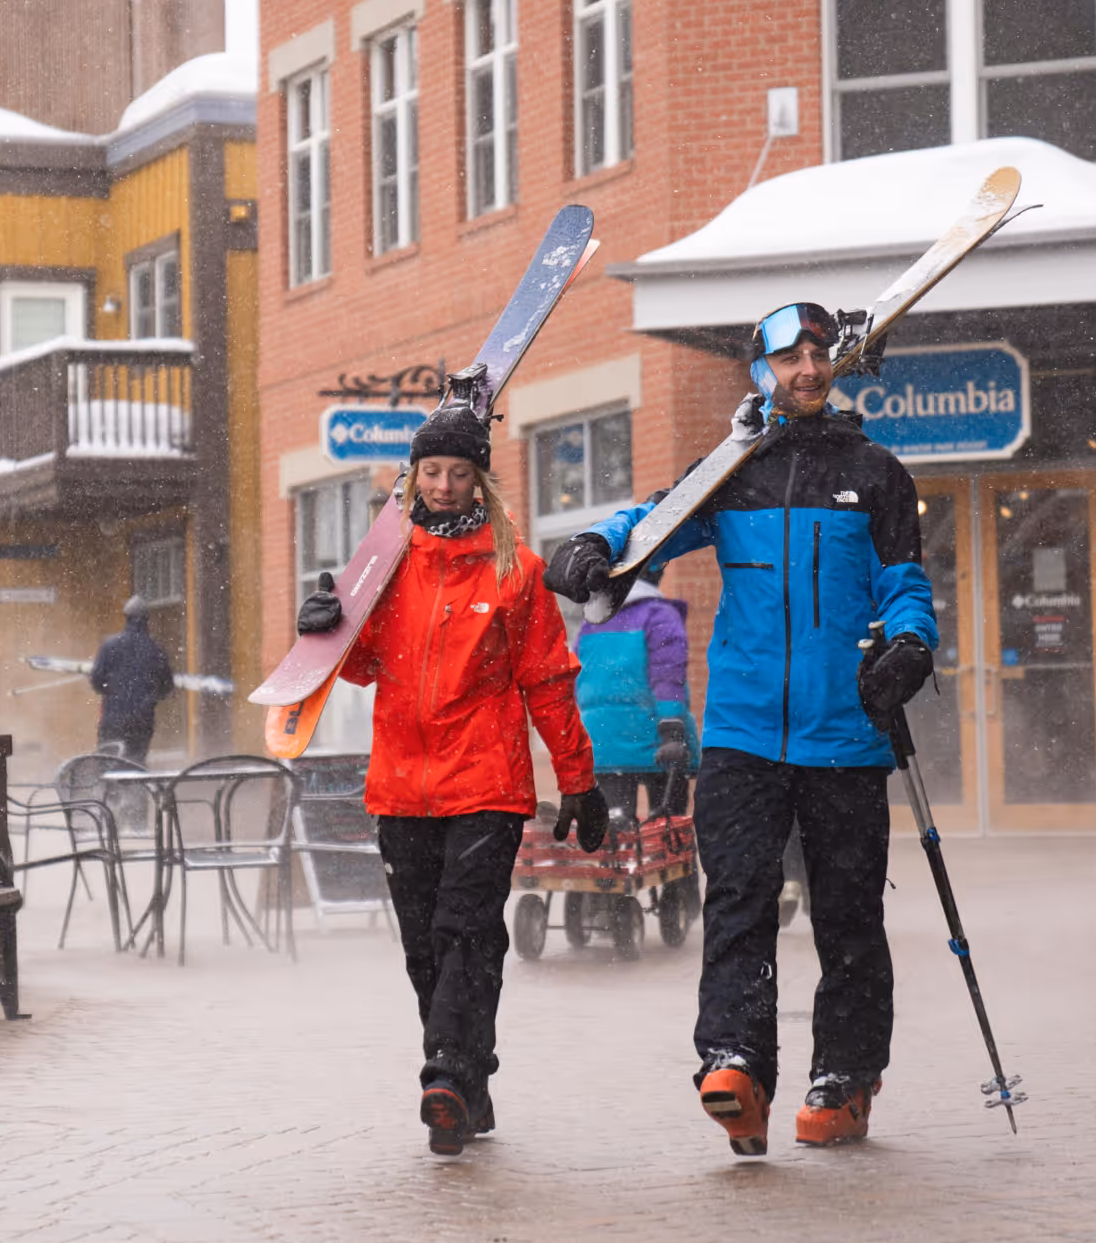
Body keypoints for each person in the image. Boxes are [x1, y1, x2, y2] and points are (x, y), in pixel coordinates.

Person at [546, 302, 937, 1155]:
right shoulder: (732, 470)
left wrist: (910, 644)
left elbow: (905, 584)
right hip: (743, 735)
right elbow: (648, 522)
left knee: (848, 916)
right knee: (738, 904)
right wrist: (590, 545)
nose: (806, 368)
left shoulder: (876, 473)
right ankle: (736, 1065)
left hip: (846, 733)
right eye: (787, 356)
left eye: (816, 354)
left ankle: (845, 1076)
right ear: (759, 370)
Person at [298, 403, 607, 1157]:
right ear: (415, 478)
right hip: (401, 785)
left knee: (464, 933)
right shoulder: (387, 566)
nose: (442, 484)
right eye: (431, 471)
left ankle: (447, 1073)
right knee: (422, 950)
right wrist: (325, 625)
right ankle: (472, 1081)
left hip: (486, 784)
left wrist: (578, 780)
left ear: (480, 483)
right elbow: (366, 666)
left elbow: (548, 681)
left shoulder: (516, 570)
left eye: (457, 473)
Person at [571, 577, 697, 825]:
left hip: (604, 742)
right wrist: (672, 728)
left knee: (616, 833)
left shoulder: (592, 621)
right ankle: (662, 861)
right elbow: (668, 674)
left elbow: (578, 675)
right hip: (658, 741)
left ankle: (621, 853)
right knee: (668, 834)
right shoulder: (659, 614)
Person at [88, 597, 175, 763]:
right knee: (136, 763)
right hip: (141, 720)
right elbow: (167, 686)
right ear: (147, 620)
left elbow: (97, 680)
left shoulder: (109, 646)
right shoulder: (156, 650)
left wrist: (113, 694)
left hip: (113, 718)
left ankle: (109, 788)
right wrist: (149, 699)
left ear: (126, 617)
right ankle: (134, 788)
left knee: (108, 762)